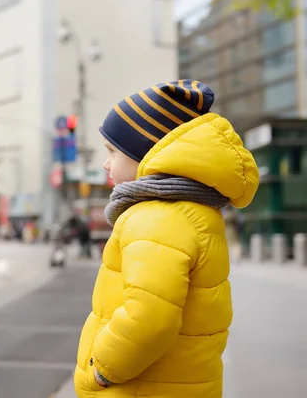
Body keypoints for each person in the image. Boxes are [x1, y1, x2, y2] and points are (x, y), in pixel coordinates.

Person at [73, 80, 259, 398]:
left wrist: (102, 369)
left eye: (113, 151)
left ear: (147, 152)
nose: (106, 163)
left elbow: (149, 318)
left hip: (141, 387)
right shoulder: (191, 210)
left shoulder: (156, 216)